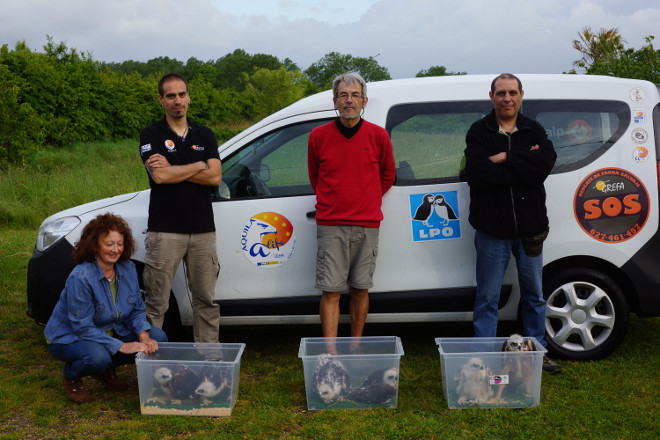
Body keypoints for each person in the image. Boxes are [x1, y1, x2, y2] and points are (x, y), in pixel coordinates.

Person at [464, 73, 560, 374]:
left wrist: (506, 156)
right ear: (491, 96)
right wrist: (523, 165)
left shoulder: (533, 129)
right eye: (501, 93)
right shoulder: (479, 131)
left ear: (521, 95)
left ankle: (537, 352)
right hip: (492, 231)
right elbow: (477, 173)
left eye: (512, 92)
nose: (507, 98)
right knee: (487, 298)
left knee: (534, 295)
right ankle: (484, 357)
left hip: (530, 230)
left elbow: (544, 165)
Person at [307, 72, 396, 353]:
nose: (349, 100)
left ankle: (355, 346)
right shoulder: (318, 136)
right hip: (331, 225)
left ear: (364, 101)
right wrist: (336, 200)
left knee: (360, 289)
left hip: (367, 225)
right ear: (335, 101)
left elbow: (388, 175)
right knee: (331, 291)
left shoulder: (378, 136)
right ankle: (331, 351)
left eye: (355, 95)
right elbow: (315, 176)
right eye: (343, 95)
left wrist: (366, 198)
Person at [45, 214, 168, 403]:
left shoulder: (128, 268)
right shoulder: (81, 277)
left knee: (158, 338)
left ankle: (105, 370)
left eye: (120, 243)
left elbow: (136, 310)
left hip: (108, 331)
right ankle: (72, 375)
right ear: (94, 245)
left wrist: (144, 335)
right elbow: (83, 328)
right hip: (69, 336)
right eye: (109, 244)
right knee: (97, 357)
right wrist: (123, 345)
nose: (115, 249)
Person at [139, 73, 222, 343]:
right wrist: (199, 165)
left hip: (202, 231)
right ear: (161, 100)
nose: (178, 101)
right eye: (171, 96)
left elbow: (216, 177)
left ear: (189, 97)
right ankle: (151, 359)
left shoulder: (204, 134)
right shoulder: (151, 134)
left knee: (205, 302)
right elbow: (159, 177)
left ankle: (209, 360)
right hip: (165, 231)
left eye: (182, 94)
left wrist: (175, 169)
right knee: (156, 304)